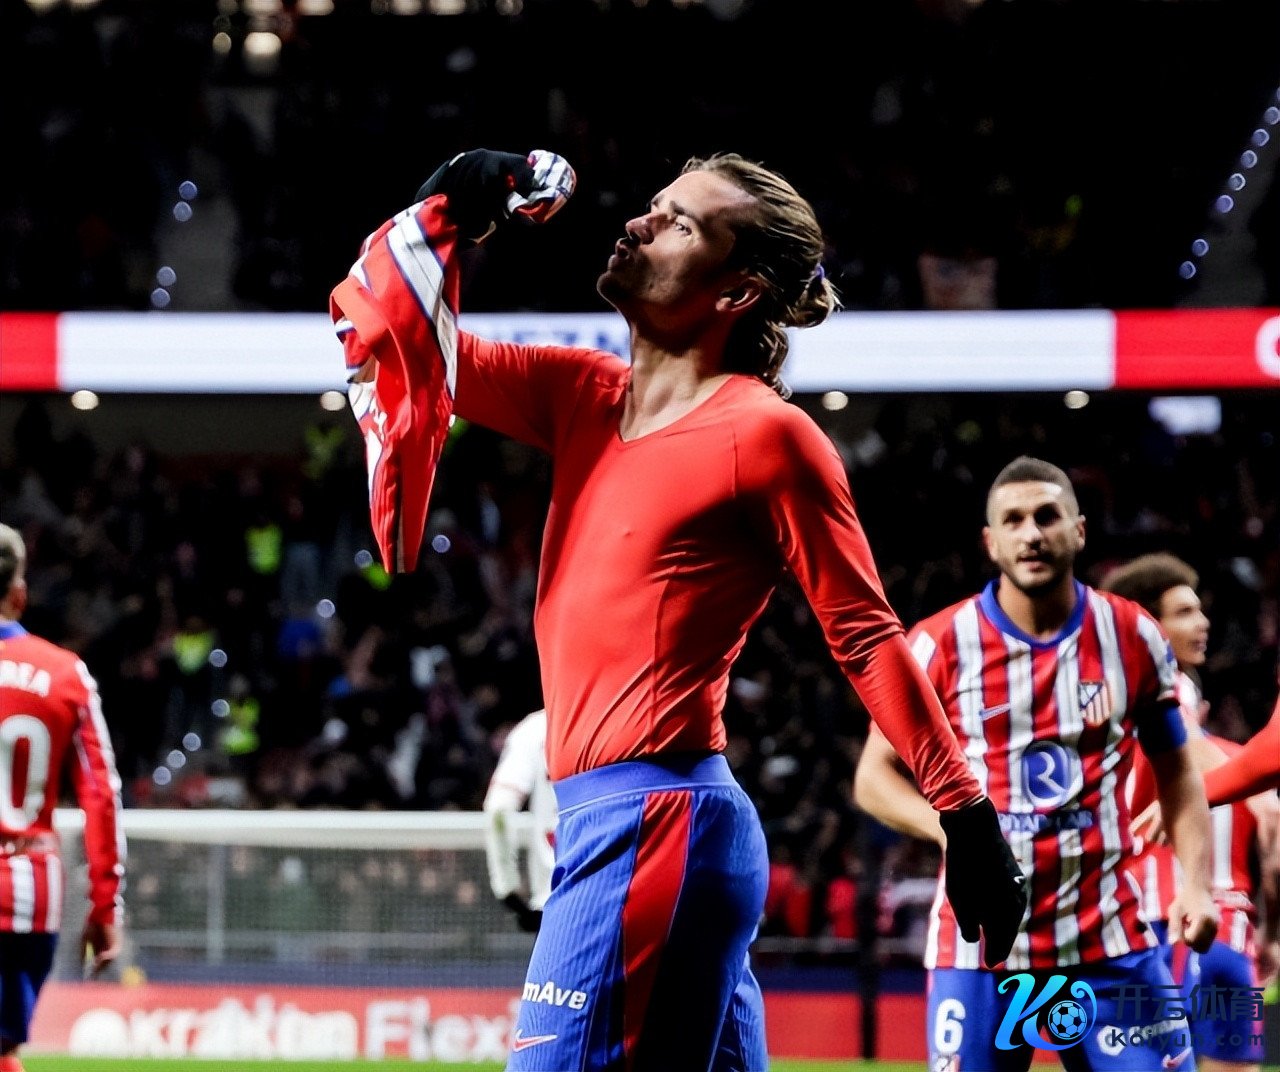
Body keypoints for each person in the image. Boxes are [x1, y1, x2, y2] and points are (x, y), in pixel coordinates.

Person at [330, 148, 1026, 1071]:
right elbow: (405, 340)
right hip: (633, 826)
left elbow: (863, 633)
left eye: (680, 223)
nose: (639, 223)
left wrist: (965, 812)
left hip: (655, 825)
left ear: (736, 292)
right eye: (654, 207)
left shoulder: (767, 434)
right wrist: (446, 205)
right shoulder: (580, 393)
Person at [853, 457, 1218, 1072]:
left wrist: (1196, 885)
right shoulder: (941, 642)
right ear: (991, 542)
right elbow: (873, 777)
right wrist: (954, 831)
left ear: (1078, 530)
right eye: (1014, 520)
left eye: (1047, 516)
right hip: (981, 946)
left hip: (1106, 937)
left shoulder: (1131, 634)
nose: (1032, 534)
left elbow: (1179, 773)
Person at [1103, 553, 1280, 1072]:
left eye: (1200, 610)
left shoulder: (1150, 701)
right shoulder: (1178, 705)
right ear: (1149, 626)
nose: (1203, 623)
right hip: (1221, 935)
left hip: (1170, 924)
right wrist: (1259, 797)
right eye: (1183, 613)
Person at [0, 524, 125, 1072]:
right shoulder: (65, 674)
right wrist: (105, 904)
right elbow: (101, 795)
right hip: (27, 889)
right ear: (19, 594)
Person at [484, 708, 556, 933]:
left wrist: (507, 889)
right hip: (620, 898)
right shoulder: (622, 717)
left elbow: (499, 811)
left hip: (552, 903)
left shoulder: (536, 728)